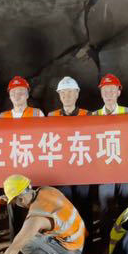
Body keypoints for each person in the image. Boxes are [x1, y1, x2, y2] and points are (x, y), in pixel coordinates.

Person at [0, 175, 85, 254]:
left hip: (72, 249)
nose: (15, 204)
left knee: (25, 244)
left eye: (14, 201)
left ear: (21, 199)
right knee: (34, 233)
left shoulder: (36, 218)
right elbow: (31, 201)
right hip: (77, 236)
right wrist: (11, 198)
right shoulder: (47, 190)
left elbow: (14, 247)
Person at [91, 74, 128, 239]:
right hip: (104, 170)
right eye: (105, 90)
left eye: (112, 90)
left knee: (124, 205)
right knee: (105, 207)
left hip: (123, 168)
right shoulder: (94, 116)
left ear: (118, 92)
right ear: (101, 93)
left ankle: (123, 240)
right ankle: (105, 241)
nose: (109, 94)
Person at [47, 77, 90, 205]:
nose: (67, 96)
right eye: (63, 93)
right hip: (62, 168)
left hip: (82, 166)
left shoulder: (87, 115)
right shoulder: (51, 116)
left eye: (70, 92)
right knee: (64, 203)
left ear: (77, 94)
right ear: (59, 95)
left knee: (83, 202)